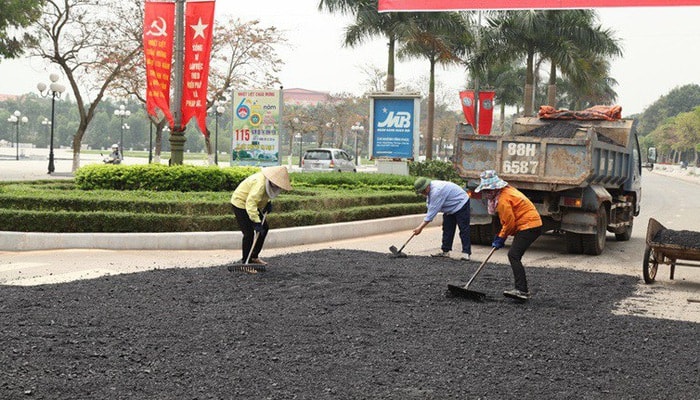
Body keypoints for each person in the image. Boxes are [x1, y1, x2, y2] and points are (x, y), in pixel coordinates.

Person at [474, 170, 542, 301]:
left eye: (488, 190)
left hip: (529, 226)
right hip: (529, 225)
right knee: (514, 255)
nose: (486, 194)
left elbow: (509, 223)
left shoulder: (503, 200)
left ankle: (522, 290)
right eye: (485, 191)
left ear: (495, 188)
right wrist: (501, 235)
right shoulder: (506, 191)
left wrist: (501, 238)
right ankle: (521, 289)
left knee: (513, 255)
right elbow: (508, 222)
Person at [230, 166, 292, 267]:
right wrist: (256, 221)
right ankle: (246, 261)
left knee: (264, 228)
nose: (278, 186)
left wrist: (266, 206)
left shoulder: (269, 184)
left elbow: (262, 197)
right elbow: (251, 203)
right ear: (272, 179)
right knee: (249, 233)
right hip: (240, 203)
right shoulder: (260, 184)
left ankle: (254, 256)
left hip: (251, 204)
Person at [412, 177, 472, 261]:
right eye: (421, 192)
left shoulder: (437, 191)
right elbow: (430, 205)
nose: (423, 193)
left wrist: (420, 228)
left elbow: (431, 213)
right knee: (447, 228)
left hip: (461, 203)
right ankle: (445, 251)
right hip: (449, 207)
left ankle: (466, 253)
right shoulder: (430, 191)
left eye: (423, 191)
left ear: (427, 186)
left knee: (463, 229)